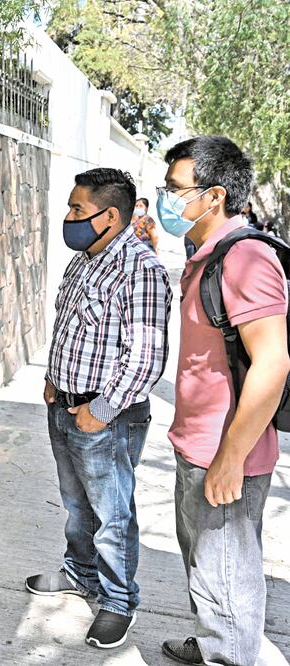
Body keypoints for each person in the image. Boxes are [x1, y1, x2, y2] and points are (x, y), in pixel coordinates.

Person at [156, 136, 290, 666]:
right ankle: (216, 642)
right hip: (199, 446)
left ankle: (230, 655)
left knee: (228, 574)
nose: (167, 198)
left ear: (212, 197)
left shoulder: (246, 258)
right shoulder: (209, 254)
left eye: (175, 189)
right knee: (207, 568)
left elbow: (273, 363)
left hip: (226, 454)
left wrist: (231, 459)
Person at [27, 168, 172, 650]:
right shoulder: (84, 260)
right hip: (65, 408)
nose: (69, 218)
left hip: (105, 418)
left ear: (111, 216)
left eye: (77, 210)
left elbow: (146, 356)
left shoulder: (141, 269)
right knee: (76, 506)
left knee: (112, 516)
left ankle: (116, 602)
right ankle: (81, 575)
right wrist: (53, 377)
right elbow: (69, 325)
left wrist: (102, 409)